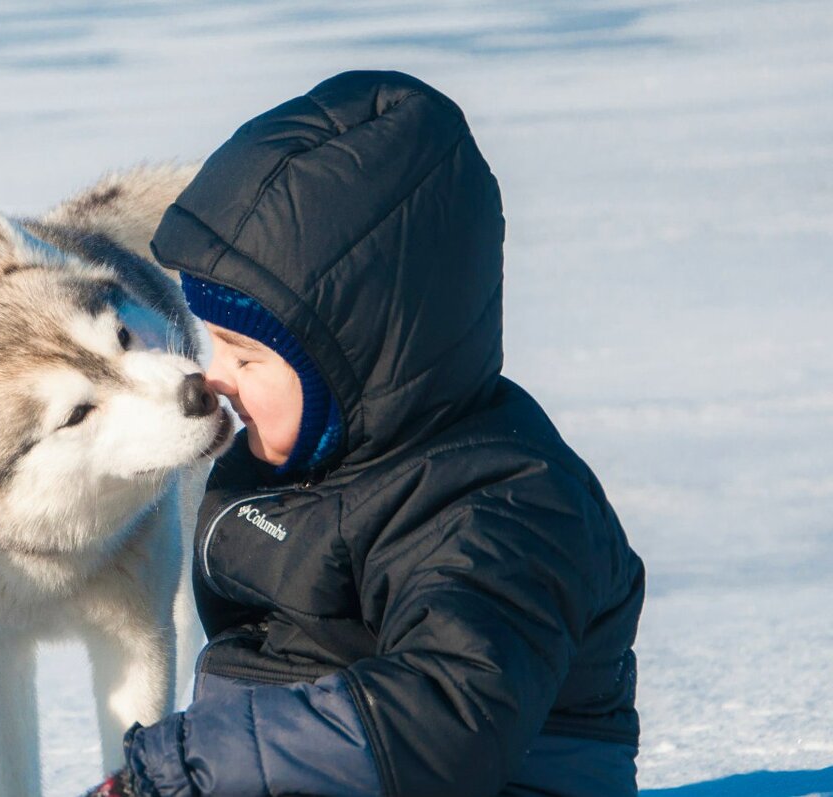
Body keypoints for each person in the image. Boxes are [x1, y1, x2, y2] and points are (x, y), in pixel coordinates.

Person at [82, 70, 645, 797]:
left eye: (247, 354)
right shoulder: (292, 461)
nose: (215, 375)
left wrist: (196, 762)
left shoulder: (500, 503)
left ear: (354, 358)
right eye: (213, 342)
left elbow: (451, 715)